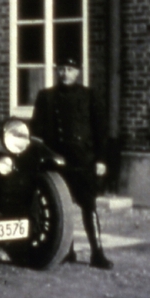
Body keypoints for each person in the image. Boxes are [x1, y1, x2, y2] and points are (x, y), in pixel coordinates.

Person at [31, 57, 113, 270]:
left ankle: (97, 252)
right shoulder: (45, 97)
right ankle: (67, 250)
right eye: (62, 69)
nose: (66, 73)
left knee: (88, 205)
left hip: (83, 160)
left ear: (78, 72)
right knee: (61, 206)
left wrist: (101, 159)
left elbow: (100, 132)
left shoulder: (89, 96)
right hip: (56, 161)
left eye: (70, 69)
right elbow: (36, 131)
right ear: (57, 71)